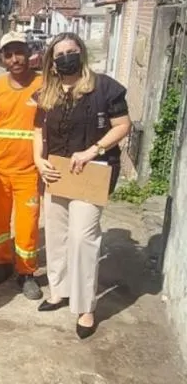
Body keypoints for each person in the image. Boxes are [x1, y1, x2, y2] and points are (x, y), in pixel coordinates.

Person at [33, 33, 131, 339]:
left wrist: (93, 151)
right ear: (52, 61)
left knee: (82, 238)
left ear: (81, 53)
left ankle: (86, 307)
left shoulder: (104, 88)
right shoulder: (47, 92)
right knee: (57, 235)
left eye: (71, 52)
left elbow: (123, 125)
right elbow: (37, 129)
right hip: (56, 173)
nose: (66, 58)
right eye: (59, 54)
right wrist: (38, 160)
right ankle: (59, 290)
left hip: (91, 173)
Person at [0, 31, 44, 299]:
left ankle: (26, 272)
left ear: (29, 53)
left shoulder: (44, 85)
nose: (15, 59)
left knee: (27, 225)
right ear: (2, 58)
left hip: (29, 171)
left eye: (20, 52)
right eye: (9, 54)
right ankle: (2, 260)